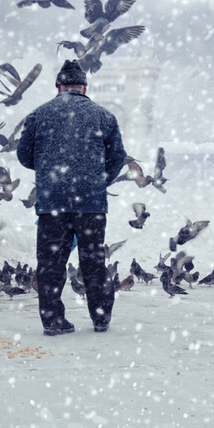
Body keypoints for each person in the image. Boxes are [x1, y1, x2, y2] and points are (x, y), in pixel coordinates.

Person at [16, 59, 126, 336]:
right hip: (91, 204)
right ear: (84, 87)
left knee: (51, 263)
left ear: (58, 87)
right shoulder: (104, 116)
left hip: (52, 202)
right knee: (93, 261)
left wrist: (48, 168)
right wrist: (98, 181)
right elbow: (117, 158)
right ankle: (101, 318)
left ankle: (53, 321)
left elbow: (23, 156)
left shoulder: (39, 115)